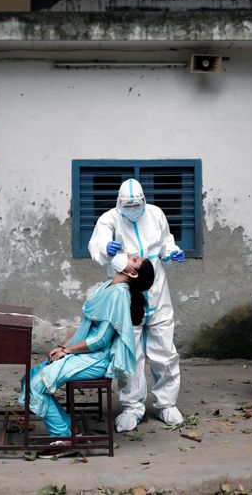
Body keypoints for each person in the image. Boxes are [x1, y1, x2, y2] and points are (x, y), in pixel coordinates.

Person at [19, 254, 155, 458]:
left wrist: (67, 351)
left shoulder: (119, 294)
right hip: (84, 352)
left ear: (131, 272)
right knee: (31, 377)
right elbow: (87, 325)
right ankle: (69, 431)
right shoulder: (109, 285)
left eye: (135, 260)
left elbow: (100, 340)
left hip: (97, 359)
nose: (131, 255)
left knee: (37, 384)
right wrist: (63, 346)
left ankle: (63, 438)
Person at [88, 178, 185, 432]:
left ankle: (166, 404)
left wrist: (171, 251)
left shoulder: (155, 214)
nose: (133, 209)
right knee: (130, 350)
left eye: (137, 204)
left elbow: (165, 242)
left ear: (144, 201)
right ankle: (132, 407)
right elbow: (96, 245)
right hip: (126, 290)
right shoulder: (109, 219)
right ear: (119, 203)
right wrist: (106, 249)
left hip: (156, 286)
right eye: (128, 205)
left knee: (164, 346)